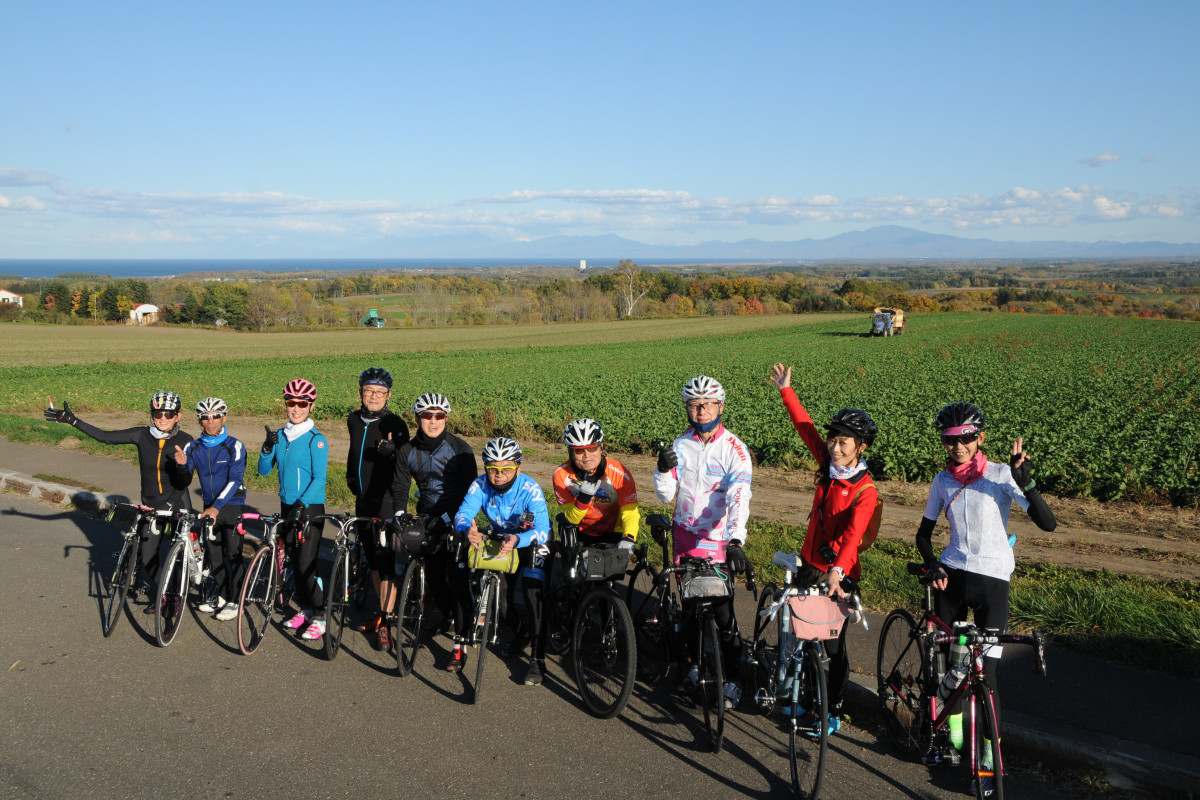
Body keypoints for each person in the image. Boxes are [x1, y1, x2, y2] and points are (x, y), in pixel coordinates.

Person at [915, 401, 1056, 791]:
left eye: (966, 438)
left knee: (987, 676)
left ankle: (992, 759)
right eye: (949, 440)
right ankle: (953, 738)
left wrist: (1025, 482)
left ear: (980, 438)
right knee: (946, 668)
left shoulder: (1000, 475)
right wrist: (932, 565)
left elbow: (1049, 524)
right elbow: (923, 535)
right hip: (952, 578)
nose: (958, 446)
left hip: (993, 582)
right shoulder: (942, 481)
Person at [770, 363, 878, 734]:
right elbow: (806, 430)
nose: (834, 446)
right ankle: (798, 696)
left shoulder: (865, 490)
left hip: (839, 574)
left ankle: (833, 710)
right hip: (810, 565)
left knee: (833, 647)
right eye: (833, 439)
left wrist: (838, 572)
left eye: (843, 442)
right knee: (802, 635)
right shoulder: (827, 465)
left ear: (859, 448)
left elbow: (853, 535)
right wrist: (787, 391)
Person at [653, 375, 753, 710]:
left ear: (721, 406)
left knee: (724, 613)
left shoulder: (735, 449)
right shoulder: (680, 445)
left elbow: (740, 497)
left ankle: (735, 680)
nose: (699, 411)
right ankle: (691, 668)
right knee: (691, 608)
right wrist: (662, 471)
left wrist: (736, 539)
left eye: (707, 404)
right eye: (693, 405)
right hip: (684, 534)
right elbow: (665, 496)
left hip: (718, 539)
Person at [44, 391, 193, 610]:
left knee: (179, 554)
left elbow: (184, 481)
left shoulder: (186, 441)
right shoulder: (142, 435)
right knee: (148, 555)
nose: (162, 418)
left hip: (177, 502)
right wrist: (73, 421)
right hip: (151, 505)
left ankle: (184, 589)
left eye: (168, 414)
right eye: (157, 413)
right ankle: (167, 594)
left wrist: (182, 465)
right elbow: (105, 437)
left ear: (178, 416)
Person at [390, 392, 477, 671]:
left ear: (446, 419)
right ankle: (448, 615)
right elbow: (401, 488)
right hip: (428, 516)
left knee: (457, 580)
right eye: (427, 415)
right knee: (436, 579)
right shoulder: (407, 451)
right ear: (418, 418)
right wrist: (399, 515)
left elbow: (470, 492)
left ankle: (460, 644)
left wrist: (451, 518)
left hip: (457, 518)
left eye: (439, 416)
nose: (433, 421)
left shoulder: (460, 449)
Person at [454, 437, 551, 686]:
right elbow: (463, 513)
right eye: (493, 469)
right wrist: (467, 529)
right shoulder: (480, 484)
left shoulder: (531, 489)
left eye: (506, 469)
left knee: (531, 592)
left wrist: (519, 539)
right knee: (503, 603)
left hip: (530, 540)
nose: (498, 475)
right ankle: (520, 634)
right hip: (500, 536)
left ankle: (538, 660)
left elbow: (543, 528)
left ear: (518, 467)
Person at [258, 379, 329, 641]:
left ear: (311, 406)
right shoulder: (280, 435)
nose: (296, 408)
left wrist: (302, 504)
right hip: (287, 506)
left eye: (302, 404)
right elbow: (263, 471)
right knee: (295, 564)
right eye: (291, 403)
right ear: (285, 404)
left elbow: (320, 478)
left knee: (306, 564)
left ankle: (321, 615)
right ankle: (307, 609)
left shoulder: (316, 440)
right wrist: (267, 448)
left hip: (309, 509)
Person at [345, 367, 410, 650]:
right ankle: (382, 612)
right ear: (361, 392)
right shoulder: (353, 420)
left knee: (386, 563)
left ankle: (386, 620)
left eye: (380, 392)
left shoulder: (396, 424)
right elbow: (353, 453)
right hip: (363, 499)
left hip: (385, 500)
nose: (374, 396)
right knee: (372, 559)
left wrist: (393, 453)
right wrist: (350, 479)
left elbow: (407, 465)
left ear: (388, 395)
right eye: (369, 391)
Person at [173, 397, 248, 621]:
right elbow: (184, 480)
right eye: (205, 417)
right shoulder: (193, 446)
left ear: (224, 417)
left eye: (216, 416)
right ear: (200, 420)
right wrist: (181, 465)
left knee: (233, 554)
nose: (211, 421)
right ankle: (224, 596)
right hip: (209, 507)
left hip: (231, 505)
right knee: (214, 554)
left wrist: (216, 507)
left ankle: (236, 601)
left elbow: (235, 480)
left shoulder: (234, 445)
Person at [552, 418, 639, 548]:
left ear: (601, 448)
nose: (587, 455)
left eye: (592, 448)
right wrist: (583, 500)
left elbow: (630, 512)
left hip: (614, 532)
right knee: (565, 528)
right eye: (579, 450)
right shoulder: (561, 475)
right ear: (571, 453)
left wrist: (629, 537)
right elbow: (571, 519)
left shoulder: (620, 473)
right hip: (579, 531)